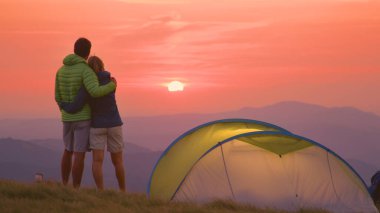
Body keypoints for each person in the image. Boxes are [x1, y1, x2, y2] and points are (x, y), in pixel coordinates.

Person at [55, 38, 116, 188]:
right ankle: (75, 188)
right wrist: (112, 86)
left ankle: (64, 184)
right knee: (79, 154)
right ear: (88, 52)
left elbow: (57, 97)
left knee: (67, 150)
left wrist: (65, 111)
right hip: (83, 118)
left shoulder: (61, 70)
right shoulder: (86, 71)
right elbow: (95, 92)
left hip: (67, 118)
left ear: (74, 49)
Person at [60, 56, 126, 192]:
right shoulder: (111, 81)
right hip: (114, 124)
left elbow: (80, 102)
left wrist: (65, 106)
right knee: (118, 161)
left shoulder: (87, 84)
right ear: (103, 66)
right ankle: (123, 191)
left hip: (97, 126)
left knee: (97, 161)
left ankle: (101, 191)